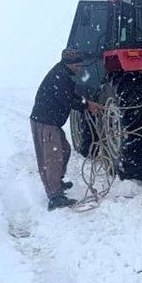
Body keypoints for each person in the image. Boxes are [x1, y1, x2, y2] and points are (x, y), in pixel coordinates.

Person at [30, 48, 101, 211]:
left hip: (52, 122)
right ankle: (54, 196)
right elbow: (68, 99)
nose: (80, 67)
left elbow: (69, 96)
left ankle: (57, 182)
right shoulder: (61, 76)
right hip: (45, 122)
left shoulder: (63, 73)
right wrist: (87, 105)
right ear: (69, 63)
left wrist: (86, 104)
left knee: (64, 150)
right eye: (78, 64)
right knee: (52, 158)